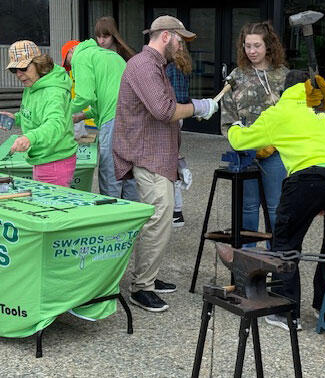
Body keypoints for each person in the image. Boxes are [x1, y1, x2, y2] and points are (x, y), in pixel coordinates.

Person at [227, 70, 325, 330]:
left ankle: (284, 310)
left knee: (285, 243)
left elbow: (242, 141)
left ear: (284, 91)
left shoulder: (280, 111)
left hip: (309, 175)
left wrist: (235, 127)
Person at [113, 15, 218, 312]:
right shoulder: (145, 65)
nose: (183, 47)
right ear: (167, 36)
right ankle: (141, 287)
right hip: (147, 156)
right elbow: (163, 111)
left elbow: (163, 118)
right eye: (181, 40)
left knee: (161, 222)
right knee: (158, 221)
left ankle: (149, 276)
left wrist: (178, 159)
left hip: (158, 155)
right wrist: (199, 106)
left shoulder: (156, 66)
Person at [220, 21, 289, 245]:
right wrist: (240, 142)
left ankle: (276, 257)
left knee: (275, 206)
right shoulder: (236, 77)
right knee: (247, 207)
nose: (252, 51)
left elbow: (294, 116)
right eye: (247, 46)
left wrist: (278, 143)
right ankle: (246, 261)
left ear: (268, 46)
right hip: (245, 153)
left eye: (257, 46)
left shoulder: (283, 76)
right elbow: (228, 118)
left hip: (277, 152)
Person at [61, 36, 138, 201]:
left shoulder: (80, 57)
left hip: (114, 118)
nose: (70, 68)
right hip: (133, 117)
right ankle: (131, 216)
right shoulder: (108, 55)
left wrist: (62, 112)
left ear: (72, 51)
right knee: (128, 170)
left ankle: (111, 216)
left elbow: (84, 97)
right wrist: (82, 115)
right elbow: (102, 99)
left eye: (68, 63)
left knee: (110, 168)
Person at [0, 41, 77, 187]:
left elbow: (55, 124)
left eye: (23, 67)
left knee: (50, 208)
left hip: (54, 159)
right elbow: (33, 115)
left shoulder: (53, 91)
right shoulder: (32, 85)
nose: (19, 74)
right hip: (43, 157)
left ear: (39, 64)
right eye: (14, 70)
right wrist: (16, 118)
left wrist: (30, 137)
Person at [166, 41, 192, 227]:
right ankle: (176, 212)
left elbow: (175, 97)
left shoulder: (171, 68)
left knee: (170, 164)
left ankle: (176, 212)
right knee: (173, 161)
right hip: (179, 114)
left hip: (172, 115)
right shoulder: (182, 65)